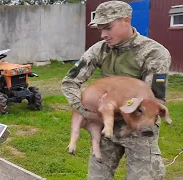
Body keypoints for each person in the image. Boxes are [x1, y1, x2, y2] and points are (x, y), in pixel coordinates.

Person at [61, 1, 171, 180]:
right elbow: (69, 81)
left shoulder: (154, 53)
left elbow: (155, 100)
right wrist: (85, 112)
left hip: (139, 130)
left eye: (108, 28)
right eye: (100, 29)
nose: (103, 34)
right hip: (106, 127)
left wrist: (115, 110)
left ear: (126, 21)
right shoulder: (99, 50)